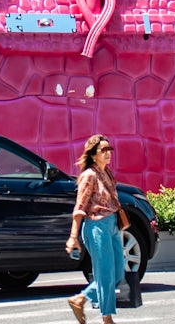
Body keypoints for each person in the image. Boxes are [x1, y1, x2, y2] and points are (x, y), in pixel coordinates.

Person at [65, 135, 126, 324]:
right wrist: (73, 236)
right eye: (103, 151)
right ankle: (107, 318)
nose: (108, 154)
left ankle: (80, 299)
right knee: (105, 274)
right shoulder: (89, 175)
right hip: (96, 226)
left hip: (112, 225)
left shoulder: (106, 172)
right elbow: (80, 207)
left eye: (109, 150)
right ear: (93, 155)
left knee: (118, 273)